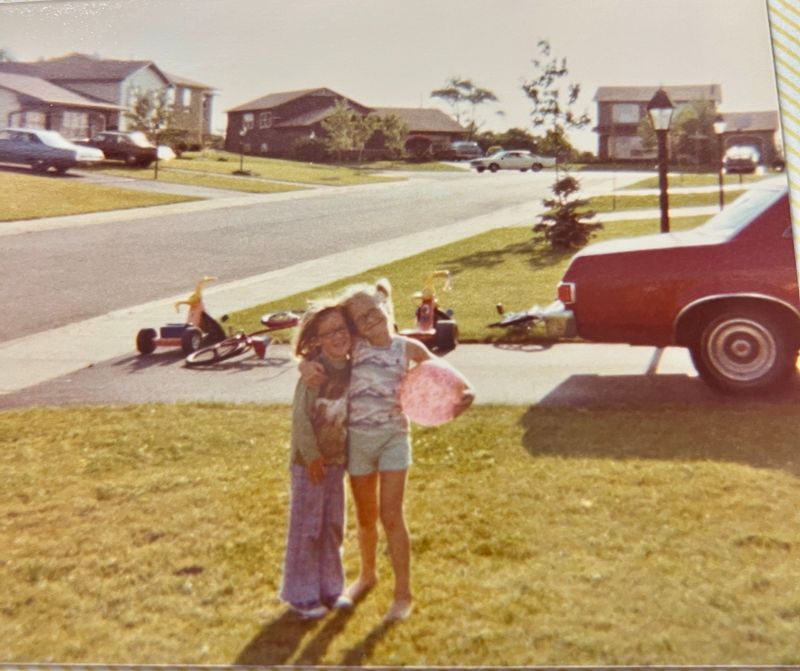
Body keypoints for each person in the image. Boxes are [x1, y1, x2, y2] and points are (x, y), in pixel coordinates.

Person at [301, 279, 474, 622]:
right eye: (360, 319)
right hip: (359, 445)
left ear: (384, 306)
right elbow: (314, 356)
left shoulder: (407, 348)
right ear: (355, 327)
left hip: (394, 439)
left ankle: (403, 593)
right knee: (366, 519)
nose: (369, 320)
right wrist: (305, 367)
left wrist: (462, 395)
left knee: (391, 517)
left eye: (373, 311)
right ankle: (367, 576)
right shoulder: (357, 348)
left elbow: (451, 379)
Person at [280, 302, 354, 619]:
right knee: (307, 526)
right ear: (318, 340)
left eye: (342, 329)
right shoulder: (315, 374)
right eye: (329, 332)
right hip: (309, 464)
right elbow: (300, 419)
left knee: (333, 525)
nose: (338, 336)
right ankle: (301, 594)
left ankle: (330, 588)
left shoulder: (354, 368)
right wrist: (311, 457)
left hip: (336, 463)